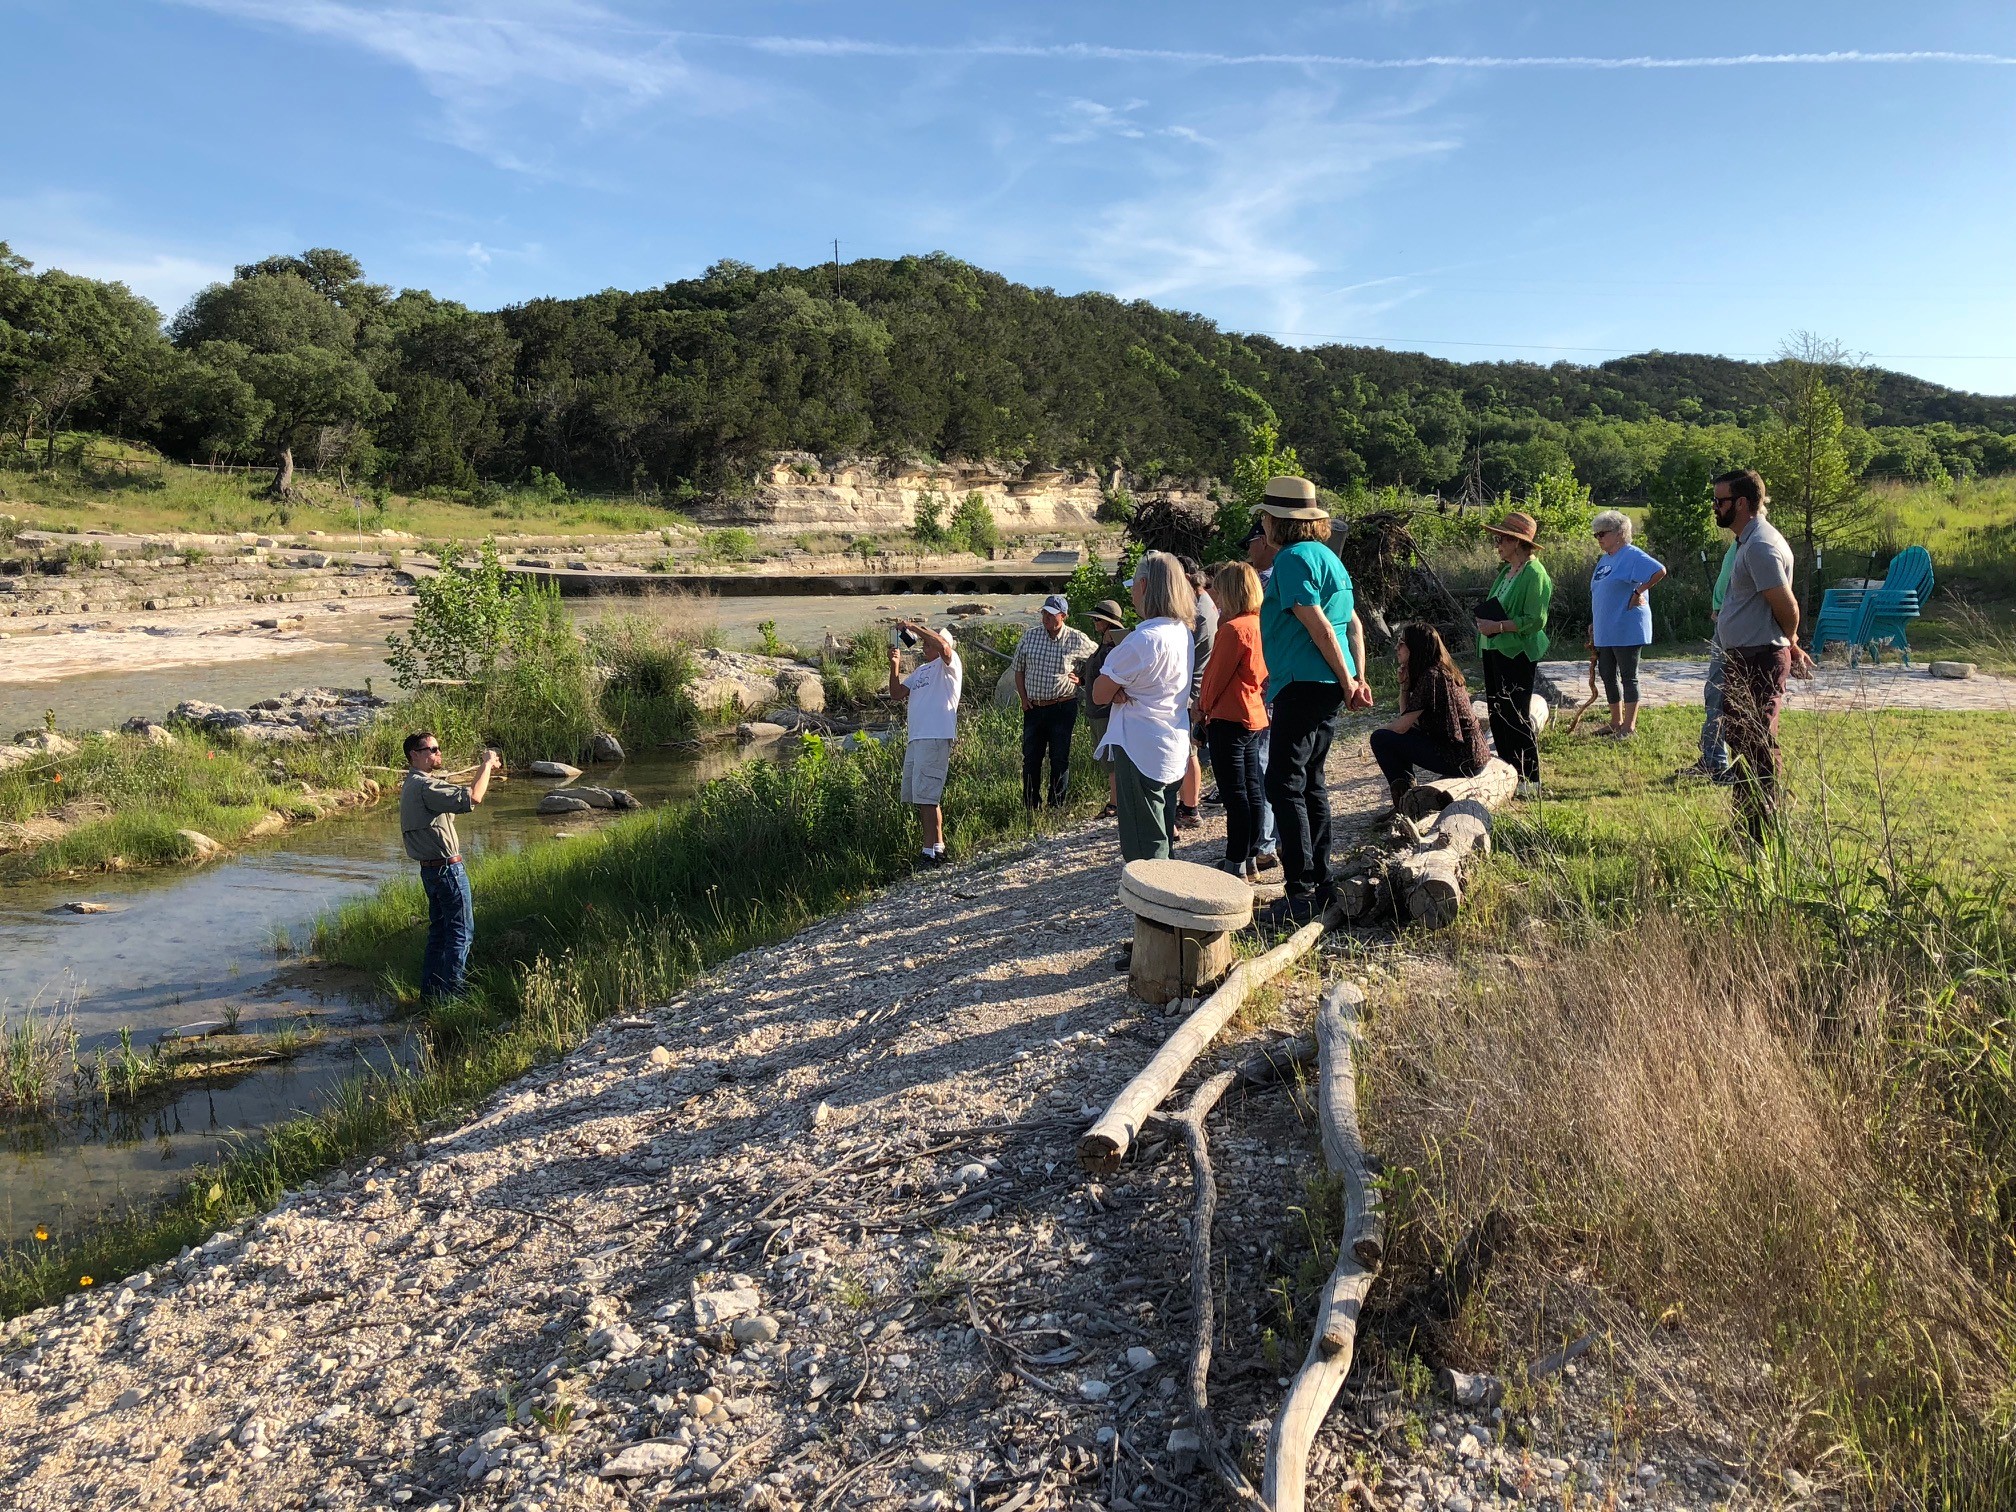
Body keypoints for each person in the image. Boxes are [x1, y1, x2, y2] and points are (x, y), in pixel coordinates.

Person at [1256, 477, 1371, 924]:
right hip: (1323, 684)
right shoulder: (1330, 559)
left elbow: (1320, 626)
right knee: (1311, 780)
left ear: (1278, 522)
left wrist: (1348, 680)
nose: (1262, 525)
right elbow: (1353, 626)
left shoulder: (1290, 559)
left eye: (1265, 517)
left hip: (1302, 682)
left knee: (1283, 782)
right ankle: (1322, 881)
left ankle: (1301, 889)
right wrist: (1355, 677)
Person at [1709, 469, 1814, 840]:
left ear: (1740, 503)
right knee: (1742, 739)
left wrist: (1792, 639)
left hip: (1759, 657)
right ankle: (1746, 821)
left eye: (1719, 500)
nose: (1714, 507)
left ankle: (1762, 829)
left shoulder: (1760, 546)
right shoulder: (1746, 540)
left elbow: (1788, 607)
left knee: (1757, 742)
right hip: (1745, 654)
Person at [1092, 552, 1196, 863]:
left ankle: (1154, 907)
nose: (1132, 594)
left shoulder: (1143, 640)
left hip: (1140, 748)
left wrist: (1118, 689)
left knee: (1144, 848)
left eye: (1134, 586)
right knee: (1162, 832)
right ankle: (1168, 900)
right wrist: (1121, 688)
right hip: (1171, 741)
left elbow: (1098, 692)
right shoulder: (1181, 631)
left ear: (1145, 586)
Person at [400, 731, 501, 1002]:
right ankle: (453, 995)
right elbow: (473, 798)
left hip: (431, 872)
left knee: (439, 934)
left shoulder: (413, 785)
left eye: (437, 748)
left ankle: (431, 995)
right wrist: (487, 764)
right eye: (431, 749)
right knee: (460, 933)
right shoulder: (424, 786)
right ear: (414, 755)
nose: (437, 753)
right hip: (447, 871)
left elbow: (453, 801)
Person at [1193, 560, 1270, 878]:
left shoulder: (1233, 629)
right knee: (1252, 790)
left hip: (1228, 717)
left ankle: (1235, 862)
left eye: (1220, 591)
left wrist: (1201, 708)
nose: (1216, 597)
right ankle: (1250, 858)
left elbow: (1215, 677)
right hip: (1253, 714)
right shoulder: (1258, 623)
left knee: (1234, 793)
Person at [1368, 624, 1493, 809]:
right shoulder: (1437, 671)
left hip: (1462, 759)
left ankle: (1404, 803)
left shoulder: (1432, 677)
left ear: (1415, 648)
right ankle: (1406, 798)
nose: (1397, 648)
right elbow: (1408, 719)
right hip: (1469, 755)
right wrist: (1404, 686)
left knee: (1380, 738)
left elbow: (1402, 726)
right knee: (1392, 737)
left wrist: (1383, 729)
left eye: (1401, 643)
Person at [1475, 511, 1553, 798]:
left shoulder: (1535, 573)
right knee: (1497, 713)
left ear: (1517, 542)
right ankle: (1507, 773)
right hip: (1495, 648)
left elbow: (1535, 620)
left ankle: (1530, 779)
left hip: (1517, 651)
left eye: (1501, 539)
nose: (1496, 544)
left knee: (1516, 715)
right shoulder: (1506, 571)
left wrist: (1496, 625)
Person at [1009, 593, 1097, 810]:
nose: (1045, 617)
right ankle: (1031, 805)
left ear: (1063, 616)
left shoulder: (1076, 638)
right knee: (1031, 759)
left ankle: (1056, 805)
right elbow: (1018, 669)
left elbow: (1099, 658)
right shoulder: (1030, 637)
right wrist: (1023, 698)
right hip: (1034, 707)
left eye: (1051, 614)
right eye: (1044, 613)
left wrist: (1083, 678)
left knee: (1059, 757)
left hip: (1062, 706)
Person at [887, 619, 962, 865]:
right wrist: (895, 667)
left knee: (928, 797)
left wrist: (914, 626)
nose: (923, 647)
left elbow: (941, 645)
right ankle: (937, 848)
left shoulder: (949, 664)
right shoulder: (921, 670)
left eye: (927, 644)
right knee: (922, 797)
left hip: (935, 735)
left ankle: (929, 852)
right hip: (917, 738)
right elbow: (897, 694)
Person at [1587, 510, 1667, 740]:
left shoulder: (1631, 554)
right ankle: (1615, 721)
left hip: (1626, 626)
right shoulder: (1606, 559)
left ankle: (1628, 726)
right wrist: (1595, 620)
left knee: (1628, 676)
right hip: (1606, 627)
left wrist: (1639, 591)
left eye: (1602, 533)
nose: (1599, 538)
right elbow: (1602, 592)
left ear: (1620, 533)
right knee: (1607, 673)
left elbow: (1659, 570)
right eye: (1596, 535)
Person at [1674, 535, 1740, 783]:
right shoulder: (1739, 541)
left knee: (1722, 694)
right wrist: (1718, 606)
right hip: (1725, 621)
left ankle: (1719, 764)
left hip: (1736, 626)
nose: (1715, 508)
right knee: (1715, 691)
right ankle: (1712, 758)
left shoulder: (1754, 542)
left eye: (1720, 502)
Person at [1244, 516, 1282, 875]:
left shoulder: (1265, 586)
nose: (1249, 550)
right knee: (1276, 763)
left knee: (1262, 764)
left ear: (1265, 541)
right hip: (1275, 684)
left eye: (1252, 542)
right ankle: (1275, 839)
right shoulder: (1274, 580)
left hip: (1266, 687)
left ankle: (1266, 843)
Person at [1174, 556, 1216, 831]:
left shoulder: (1197, 612)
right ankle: (1188, 806)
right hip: (1197, 688)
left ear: (1188, 579)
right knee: (1188, 751)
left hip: (1192, 692)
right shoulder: (1206, 605)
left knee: (1186, 752)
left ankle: (1189, 809)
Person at [1079, 598, 1129, 818]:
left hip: (1105, 711)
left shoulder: (1113, 647)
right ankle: (1116, 801)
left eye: (1097, 619)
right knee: (1108, 758)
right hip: (1097, 709)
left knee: (1110, 759)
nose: (1094, 623)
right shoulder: (1106, 644)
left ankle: (1115, 803)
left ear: (1107, 622)